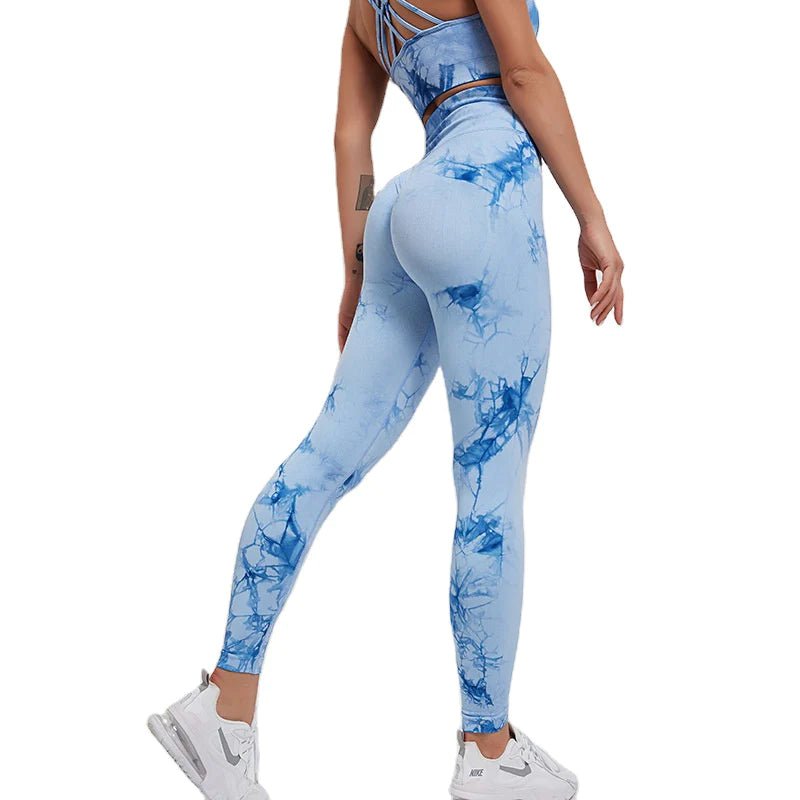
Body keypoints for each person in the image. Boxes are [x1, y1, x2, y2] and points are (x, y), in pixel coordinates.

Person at [148, 1, 624, 798]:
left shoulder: (360, 11)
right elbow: (522, 73)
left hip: (404, 210)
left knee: (323, 457)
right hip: (484, 192)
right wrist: (594, 217)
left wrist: (359, 268)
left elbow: (352, 140)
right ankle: (488, 750)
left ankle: (223, 704)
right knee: (490, 483)